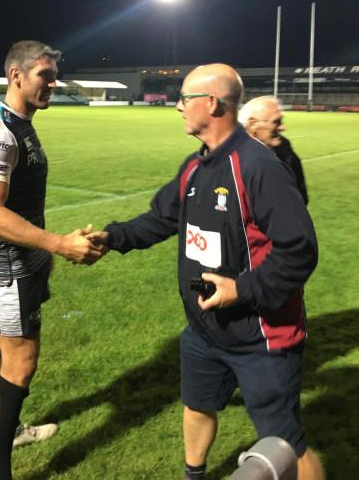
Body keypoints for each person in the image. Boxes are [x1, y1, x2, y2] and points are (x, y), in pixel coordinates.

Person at [89, 64, 324, 480]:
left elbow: (300, 249)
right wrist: (110, 238)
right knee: (197, 405)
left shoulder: (258, 166)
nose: (178, 107)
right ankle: (193, 476)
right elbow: (161, 218)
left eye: (184, 98)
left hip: (262, 337)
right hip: (204, 329)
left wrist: (243, 289)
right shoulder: (195, 167)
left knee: (285, 443)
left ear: (211, 103)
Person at [0, 40, 104, 480]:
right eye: (45, 75)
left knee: (8, 351)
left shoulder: (22, 124)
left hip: (26, 264)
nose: (53, 83)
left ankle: (10, 430)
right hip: (9, 268)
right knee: (20, 362)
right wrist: (57, 243)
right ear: (16, 76)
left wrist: (49, 250)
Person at [238, 95, 308, 204]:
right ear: (253, 124)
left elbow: (301, 198)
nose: (283, 128)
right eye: (276, 122)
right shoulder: (227, 157)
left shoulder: (286, 152)